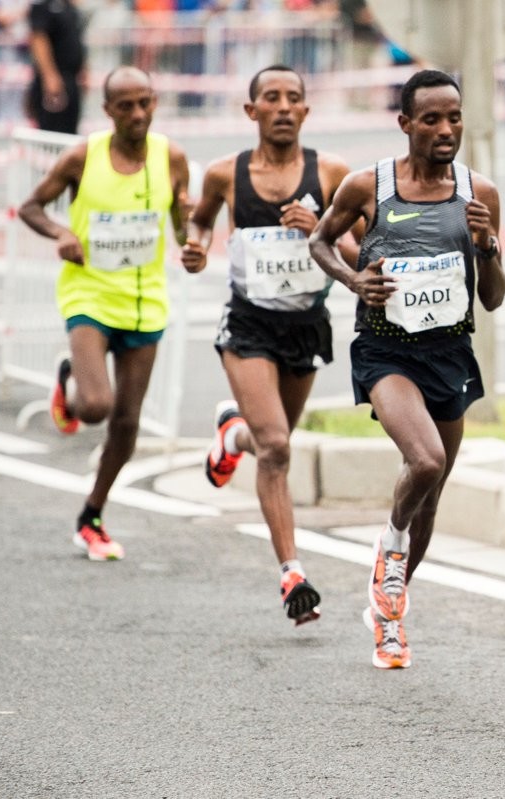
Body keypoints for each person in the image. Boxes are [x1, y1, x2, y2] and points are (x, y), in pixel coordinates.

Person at [308, 69, 505, 669]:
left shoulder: (480, 193)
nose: (446, 130)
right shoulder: (367, 186)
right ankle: (389, 548)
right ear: (405, 123)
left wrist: (489, 247)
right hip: (386, 350)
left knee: (432, 493)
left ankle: (388, 613)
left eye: (454, 118)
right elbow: (320, 242)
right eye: (431, 119)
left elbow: (493, 297)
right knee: (426, 460)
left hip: (449, 352)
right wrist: (353, 279)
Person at [180, 65, 359, 625]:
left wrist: (321, 226)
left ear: (306, 111)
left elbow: (363, 255)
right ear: (251, 110)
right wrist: (194, 245)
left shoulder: (332, 174)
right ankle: (292, 573)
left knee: (265, 442)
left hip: (305, 324)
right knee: (278, 448)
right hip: (248, 325)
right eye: (271, 98)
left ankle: (232, 432)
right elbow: (199, 222)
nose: (283, 107)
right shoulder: (223, 174)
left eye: (294, 99)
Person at [18, 66, 192, 561]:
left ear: (155, 102)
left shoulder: (171, 156)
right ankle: (72, 383)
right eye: (127, 106)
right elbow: (31, 206)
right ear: (108, 111)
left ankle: (92, 513)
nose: (138, 114)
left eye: (145, 103)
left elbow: (182, 233)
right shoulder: (82, 156)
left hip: (144, 302)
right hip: (89, 296)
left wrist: (189, 225)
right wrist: (61, 234)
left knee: (127, 423)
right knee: (95, 406)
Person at [27, 0, 85, 134]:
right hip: (54, 81)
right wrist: (49, 76)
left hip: (71, 79)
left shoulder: (69, 6)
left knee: (69, 131)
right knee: (53, 134)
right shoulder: (43, 5)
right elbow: (38, 39)